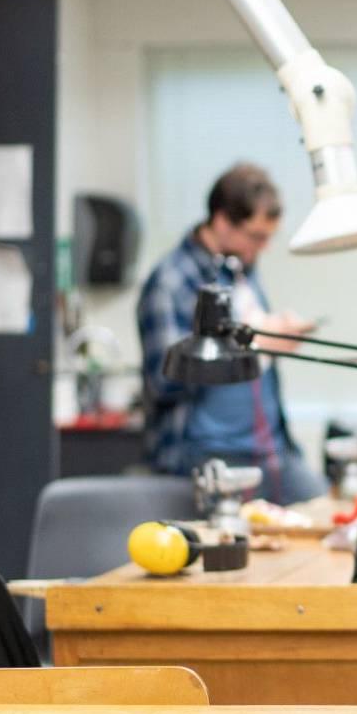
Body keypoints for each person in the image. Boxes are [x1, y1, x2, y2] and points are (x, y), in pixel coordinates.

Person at [137, 162, 326, 504]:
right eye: (255, 236)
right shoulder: (171, 282)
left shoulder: (242, 270)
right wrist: (254, 342)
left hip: (271, 448)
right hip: (209, 454)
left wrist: (276, 335)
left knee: (325, 513)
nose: (262, 247)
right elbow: (162, 380)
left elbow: (252, 342)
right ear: (222, 221)